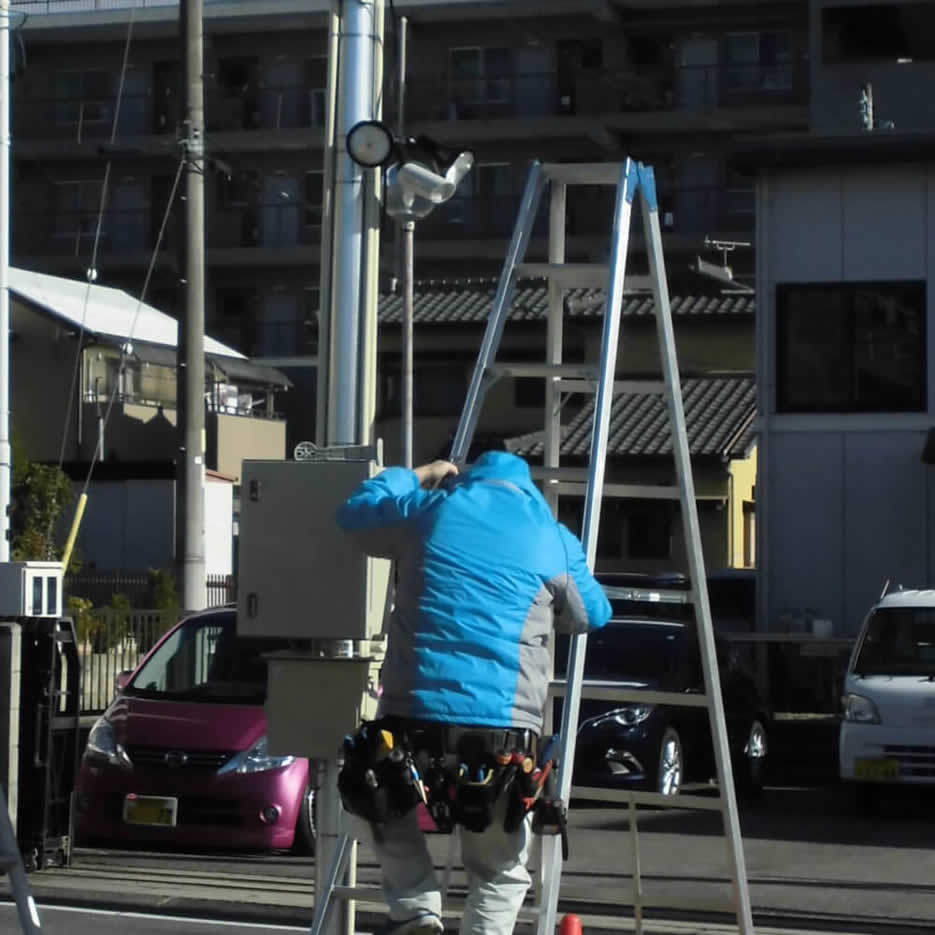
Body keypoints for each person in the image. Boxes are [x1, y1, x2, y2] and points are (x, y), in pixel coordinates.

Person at [336, 451, 611, 935]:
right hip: (502, 732)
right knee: (499, 868)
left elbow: (356, 513)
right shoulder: (551, 537)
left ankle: (418, 913)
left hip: (411, 717)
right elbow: (593, 613)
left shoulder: (429, 511)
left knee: (386, 806)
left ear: (466, 477)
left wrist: (420, 475)